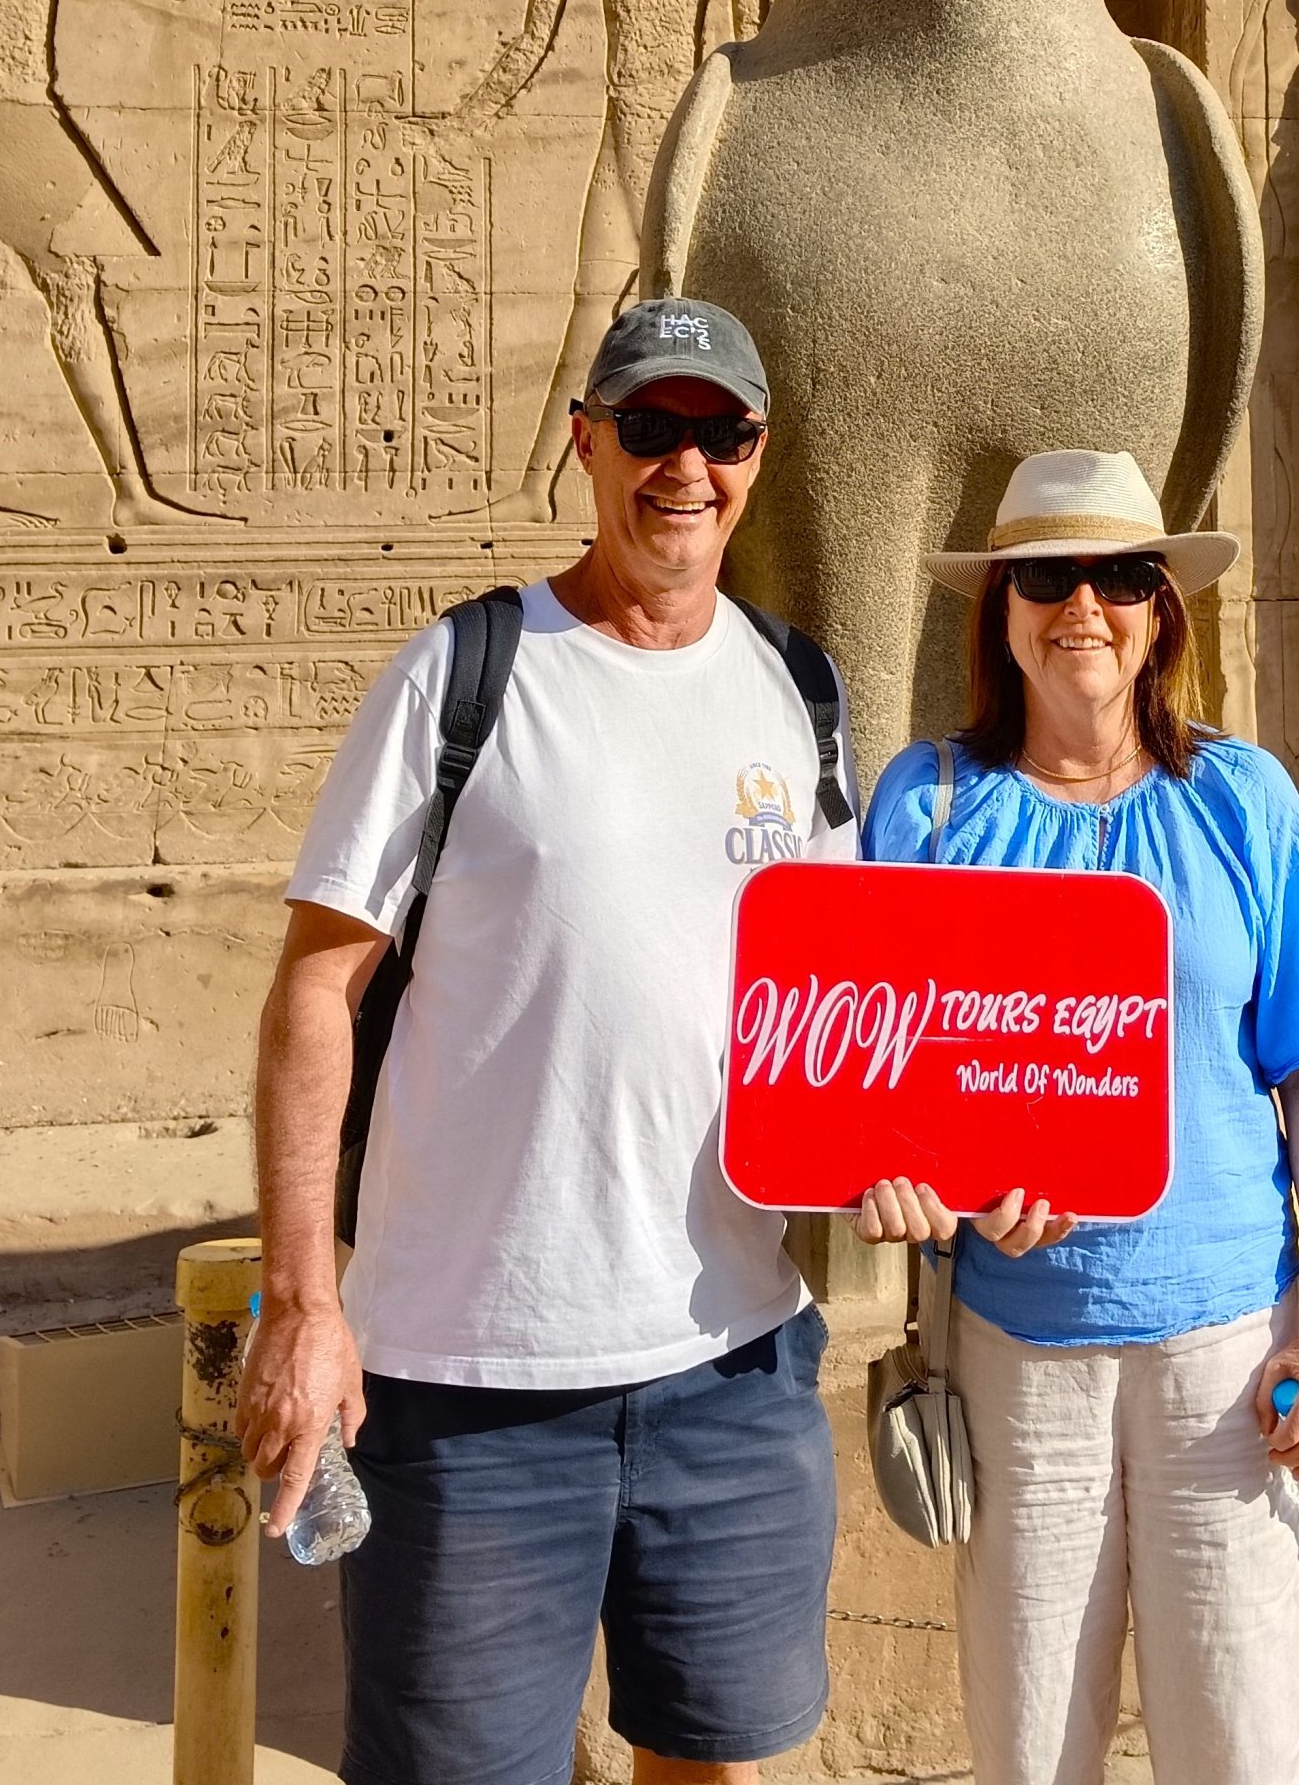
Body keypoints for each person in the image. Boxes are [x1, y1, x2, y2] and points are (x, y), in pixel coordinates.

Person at [237, 297, 857, 1785]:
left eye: (721, 434)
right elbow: (316, 990)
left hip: (734, 1358)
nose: (685, 466)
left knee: (708, 1760)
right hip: (472, 1382)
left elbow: (844, 1013)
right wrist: (302, 1303)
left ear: (760, 458)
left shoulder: (800, 691)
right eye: (651, 428)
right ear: (585, 441)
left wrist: (938, 1160)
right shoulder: (468, 673)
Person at [855, 449, 1299, 1785]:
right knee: (1033, 1745)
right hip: (1019, 1341)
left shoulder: (1243, 799)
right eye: (1045, 575)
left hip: (1223, 1344)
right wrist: (909, 1174)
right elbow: (876, 1074)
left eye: (1115, 576)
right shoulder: (927, 808)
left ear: (1161, 609)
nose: (1079, 604)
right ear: (1003, 611)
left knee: (1242, 1741)